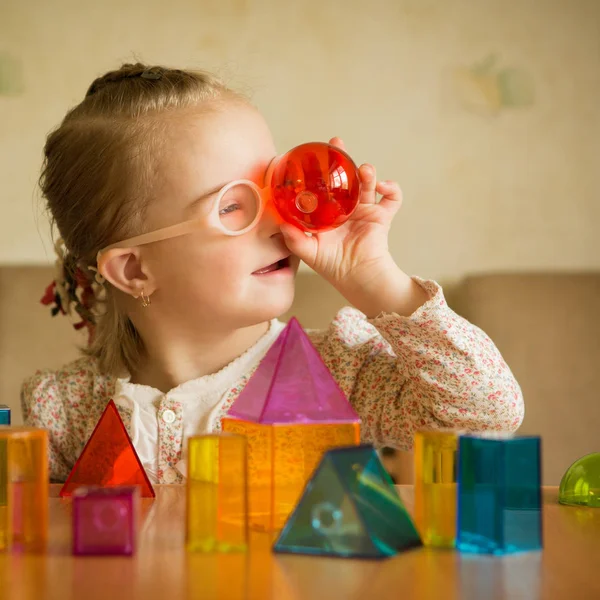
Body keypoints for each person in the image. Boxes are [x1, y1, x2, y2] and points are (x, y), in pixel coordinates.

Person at [21, 63, 523, 484]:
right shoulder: (65, 411)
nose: (281, 221)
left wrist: (373, 278)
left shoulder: (339, 371)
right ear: (134, 269)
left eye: (278, 187)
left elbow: (485, 413)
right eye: (234, 206)